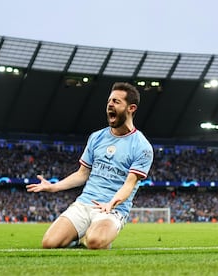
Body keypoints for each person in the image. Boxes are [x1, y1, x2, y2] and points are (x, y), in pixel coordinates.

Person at [26, 82, 154, 249]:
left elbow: (129, 185)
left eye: (116, 101)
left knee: (95, 242)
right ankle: (82, 235)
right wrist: (54, 187)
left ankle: (95, 235)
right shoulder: (96, 137)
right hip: (85, 203)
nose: (110, 104)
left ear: (131, 108)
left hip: (112, 210)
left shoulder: (142, 146)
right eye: (109, 101)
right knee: (49, 243)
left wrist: (112, 203)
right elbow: (82, 174)